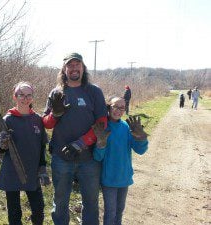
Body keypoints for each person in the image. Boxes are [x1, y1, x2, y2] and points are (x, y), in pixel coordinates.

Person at [42, 52, 108, 225]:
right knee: (61, 202)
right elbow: (47, 124)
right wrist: (55, 114)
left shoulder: (94, 92)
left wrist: (80, 143)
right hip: (61, 158)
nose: (74, 68)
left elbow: (102, 123)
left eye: (77, 64)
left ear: (83, 68)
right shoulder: (56, 92)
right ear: (64, 70)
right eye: (70, 65)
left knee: (91, 203)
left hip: (89, 159)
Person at [0, 81, 50, 225]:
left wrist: (43, 169)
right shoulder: (7, 119)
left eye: (28, 95)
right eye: (21, 95)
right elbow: (1, 149)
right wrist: (2, 142)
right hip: (12, 171)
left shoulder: (38, 120)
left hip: (32, 171)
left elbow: (42, 147)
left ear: (32, 97)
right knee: (14, 212)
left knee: (38, 209)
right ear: (15, 97)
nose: (25, 98)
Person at [93, 97, 148, 225]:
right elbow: (97, 157)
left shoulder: (126, 127)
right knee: (110, 212)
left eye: (122, 107)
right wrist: (101, 144)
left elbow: (140, 150)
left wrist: (141, 138)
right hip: (109, 179)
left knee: (119, 211)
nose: (118, 110)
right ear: (108, 107)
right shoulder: (103, 127)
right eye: (115, 106)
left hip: (124, 177)